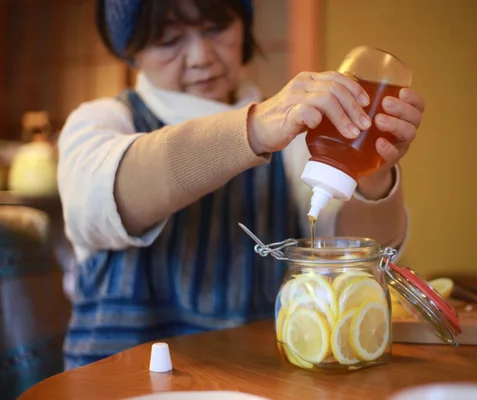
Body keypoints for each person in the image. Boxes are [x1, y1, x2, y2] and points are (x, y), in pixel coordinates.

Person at [57, 0, 425, 370]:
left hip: (255, 383)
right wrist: (252, 129)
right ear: (132, 51)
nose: (201, 57)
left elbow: (359, 254)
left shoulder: (295, 137)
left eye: (216, 28)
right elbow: (117, 193)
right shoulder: (101, 122)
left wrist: (372, 170)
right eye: (169, 39)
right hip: (114, 384)